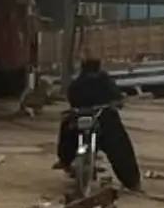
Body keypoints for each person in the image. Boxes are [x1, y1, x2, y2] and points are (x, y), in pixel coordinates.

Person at [55, 59, 142, 191]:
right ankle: (132, 182)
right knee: (119, 144)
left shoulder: (77, 83)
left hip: (82, 116)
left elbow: (72, 99)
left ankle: (65, 161)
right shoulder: (104, 81)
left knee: (67, 131)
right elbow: (116, 97)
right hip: (103, 118)